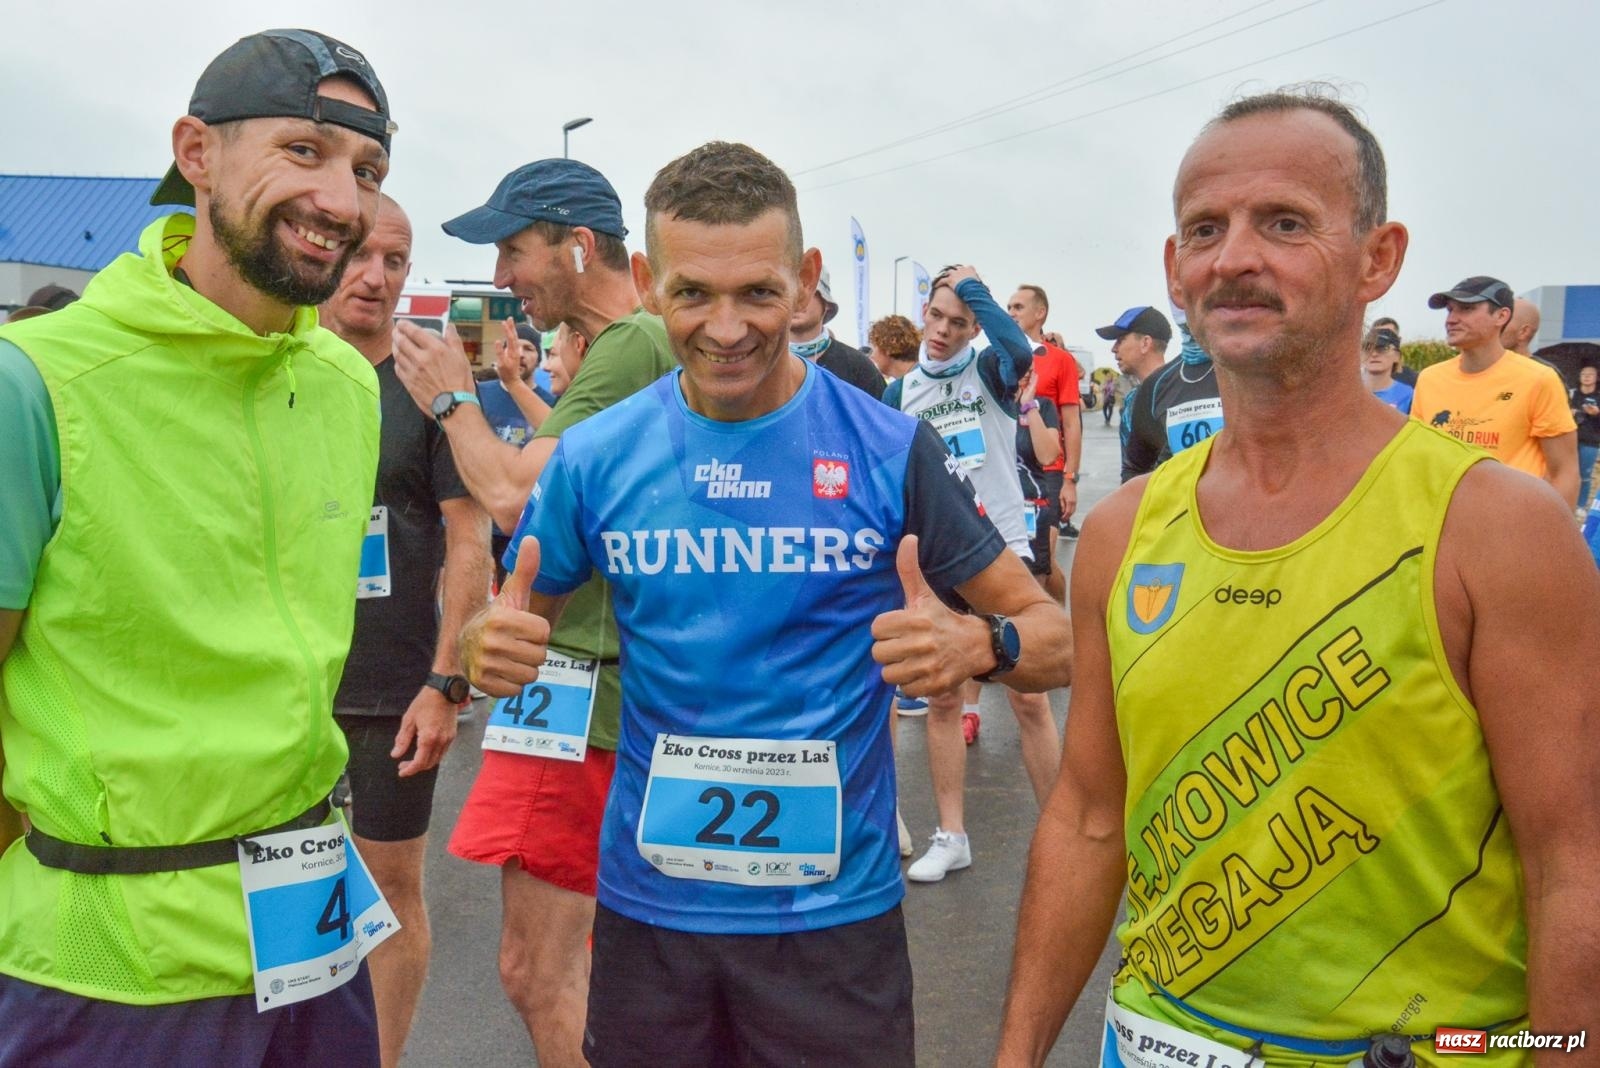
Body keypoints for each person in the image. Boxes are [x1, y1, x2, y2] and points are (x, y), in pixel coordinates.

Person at [998, 88, 1600, 1067]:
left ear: (1377, 258)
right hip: (1152, 1038)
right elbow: (1087, 819)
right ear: (1175, 267)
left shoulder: (1500, 530)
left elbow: (1573, 864)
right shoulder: (1121, 532)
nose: (1235, 256)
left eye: (1284, 223)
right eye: (1206, 228)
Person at [463, 140, 1071, 1068]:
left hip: (833, 922)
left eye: (757, 292)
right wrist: (483, 646)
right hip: (652, 915)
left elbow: (1057, 639)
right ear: (647, 282)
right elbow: (509, 622)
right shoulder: (597, 454)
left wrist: (978, 645)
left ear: (805, 279)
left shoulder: (885, 446)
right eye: (692, 294)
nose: (726, 328)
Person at [0, 29, 398, 1067]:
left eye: (367, 171)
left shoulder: (346, 386)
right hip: (110, 971)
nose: (342, 202)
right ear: (196, 152)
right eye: (304, 151)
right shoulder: (33, 383)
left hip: (313, 935)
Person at [389, 157, 676, 1068]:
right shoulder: (624, 347)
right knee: (580, 964)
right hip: (582, 686)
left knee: (536, 971)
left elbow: (518, 497)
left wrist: (448, 395)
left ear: (579, 245)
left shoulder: (632, 342)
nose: (502, 275)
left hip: (584, 692)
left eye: (513, 251)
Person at [320, 195, 491, 1068]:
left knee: (388, 888)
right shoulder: (278, 366)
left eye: (394, 260)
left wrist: (446, 680)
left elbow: (469, 536)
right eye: (359, 254)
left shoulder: (428, 384)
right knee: (270, 885)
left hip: (393, 688)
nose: (375, 277)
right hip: (281, 684)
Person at [885, 268, 1063, 882]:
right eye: (936, 316)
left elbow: (1017, 348)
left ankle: (1059, 831)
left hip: (1003, 551)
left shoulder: (989, 371)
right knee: (943, 698)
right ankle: (951, 835)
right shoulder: (900, 391)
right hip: (942, 560)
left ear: (973, 328)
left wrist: (973, 289)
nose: (942, 331)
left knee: (1030, 700)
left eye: (958, 323)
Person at [1412, 275, 1579, 508]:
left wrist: (1553, 529)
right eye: (1450, 310)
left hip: (1509, 519)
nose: (1451, 319)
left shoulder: (1538, 379)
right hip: (1442, 517)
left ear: (1501, 316)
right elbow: (1419, 458)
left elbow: (1564, 472)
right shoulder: (1429, 379)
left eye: (1466, 309)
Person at [1098, 304, 1220, 485]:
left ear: (1145, 343)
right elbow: (1132, 469)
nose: (1113, 349)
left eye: (1121, 340)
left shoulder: (1203, 382)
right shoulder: (1132, 399)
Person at [1007, 285, 1083, 572]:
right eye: (1009, 307)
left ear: (1040, 313)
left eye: (1018, 307)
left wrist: (1070, 479)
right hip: (1008, 467)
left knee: (1041, 562)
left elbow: (1072, 422)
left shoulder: (1060, 359)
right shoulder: (998, 357)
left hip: (1048, 470)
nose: (1011, 313)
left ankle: (1050, 601)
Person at [789, 267, 885, 398]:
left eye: (807, 291)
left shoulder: (858, 366)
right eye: (788, 293)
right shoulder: (764, 362)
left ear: (826, 304)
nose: (797, 300)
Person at [1362, 324, 1412, 413]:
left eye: (1382, 348)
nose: (1373, 354)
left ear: (1397, 356)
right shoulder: (1347, 390)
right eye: (1367, 348)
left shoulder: (1408, 396)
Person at [1570, 364, 1599, 509]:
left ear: (1596, 378)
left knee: (1585, 475)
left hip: (1590, 440)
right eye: (1583, 374)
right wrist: (1571, 412)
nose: (1586, 377)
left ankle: (1580, 506)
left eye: (1590, 374)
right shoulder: (1571, 394)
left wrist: (1597, 413)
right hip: (1570, 438)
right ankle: (1565, 501)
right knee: (1567, 472)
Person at [868, 313, 920, 380]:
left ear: (888, 346)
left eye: (875, 347)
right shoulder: (923, 374)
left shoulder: (917, 381)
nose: (872, 356)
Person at [1371, 314, 1416, 386]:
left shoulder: (1413, 379)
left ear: (1398, 340)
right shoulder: (1360, 378)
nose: (1382, 341)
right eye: (1378, 336)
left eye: (1389, 335)